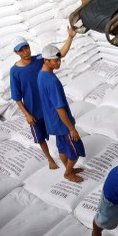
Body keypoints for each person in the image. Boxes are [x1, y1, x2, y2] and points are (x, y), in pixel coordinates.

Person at [9, 27, 76, 170]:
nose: (26, 52)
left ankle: (66, 159)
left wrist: (70, 37)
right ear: (16, 52)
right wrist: (27, 114)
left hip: (49, 108)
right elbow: (17, 97)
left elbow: (59, 54)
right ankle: (50, 159)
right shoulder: (15, 72)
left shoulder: (40, 60)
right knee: (40, 137)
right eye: (21, 50)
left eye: (26, 48)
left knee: (60, 131)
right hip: (34, 110)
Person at [38, 43, 86, 183]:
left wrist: (70, 38)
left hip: (52, 121)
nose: (58, 63)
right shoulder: (52, 81)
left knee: (63, 148)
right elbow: (59, 108)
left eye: (59, 60)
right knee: (75, 150)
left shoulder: (41, 75)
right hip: (62, 123)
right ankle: (68, 173)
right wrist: (71, 128)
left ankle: (68, 169)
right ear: (46, 60)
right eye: (55, 60)